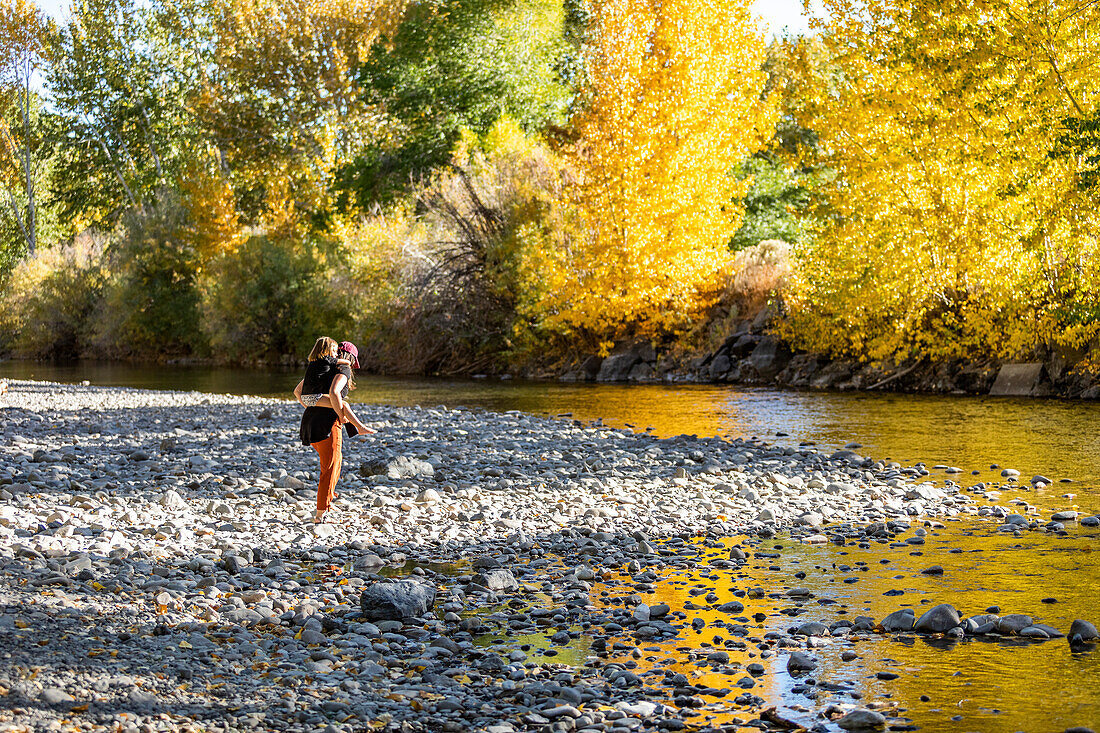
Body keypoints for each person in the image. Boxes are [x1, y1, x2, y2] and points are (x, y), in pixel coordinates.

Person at [296, 338, 373, 523]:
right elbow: (334, 393)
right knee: (329, 469)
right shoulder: (343, 369)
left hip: (309, 423)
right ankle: (321, 514)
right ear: (351, 358)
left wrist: (310, 403)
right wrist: (340, 413)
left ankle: (328, 502)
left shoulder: (321, 368)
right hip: (327, 425)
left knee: (335, 464)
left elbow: (299, 391)